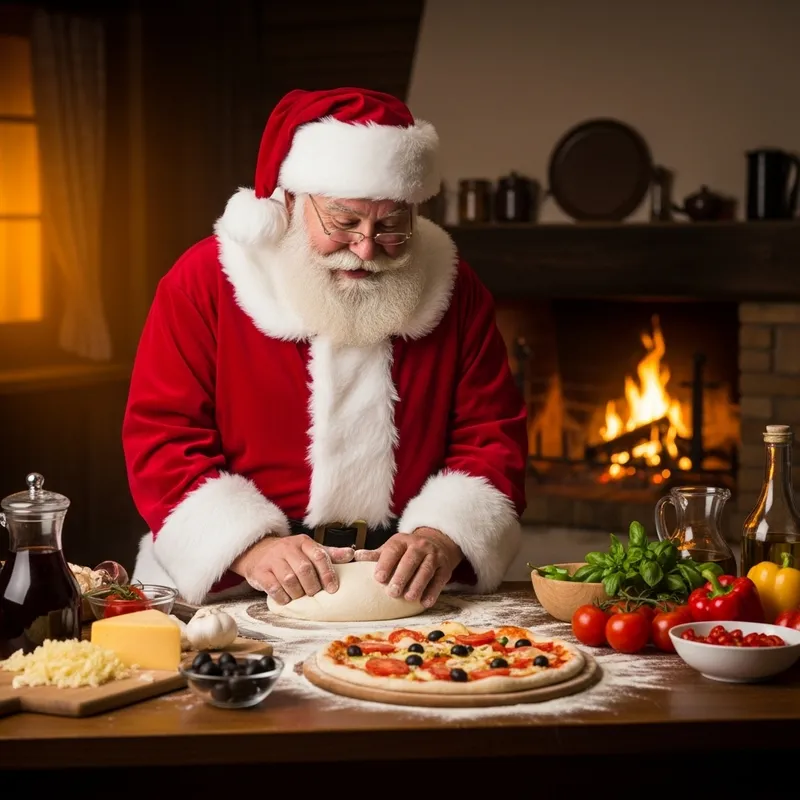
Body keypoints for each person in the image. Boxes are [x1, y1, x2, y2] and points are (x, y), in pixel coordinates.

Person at [123, 87, 528, 608]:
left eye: (390, 226)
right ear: (291, 199)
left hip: (402, 590)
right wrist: (250, 546)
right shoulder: (206, 279)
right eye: (343, 222)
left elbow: (492, 433)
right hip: (234, 585)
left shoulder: (453, 285)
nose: (365, 248)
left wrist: (442, 537)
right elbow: (163, 436)